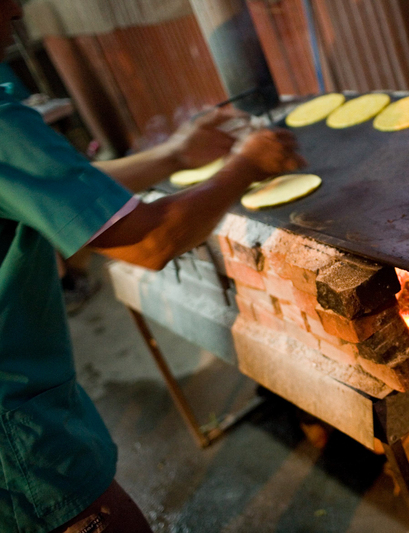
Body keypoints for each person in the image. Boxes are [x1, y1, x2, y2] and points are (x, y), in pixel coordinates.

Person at [0, 1, 306, 531]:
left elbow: (66, 187)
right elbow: (150, 241)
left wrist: (175, 156)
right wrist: (247, 167)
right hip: (16, 438)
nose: (20, 9)